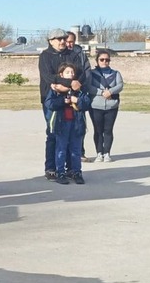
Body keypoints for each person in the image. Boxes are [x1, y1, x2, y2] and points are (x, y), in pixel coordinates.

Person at [45, 62, 92, 184]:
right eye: (67, 72)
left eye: (72, 72)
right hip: (62, 123)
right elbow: (49, 104)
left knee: (75, 150)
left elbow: (87, 103)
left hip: (76, 123)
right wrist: (62, 101)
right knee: (61, 149)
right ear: (61, 75)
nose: (70, 75)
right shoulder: (56, 88)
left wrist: (78, 100)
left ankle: (76, 172)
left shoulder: (79, 88)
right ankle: (60, 173)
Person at [38, 28, 73, 180]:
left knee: (71, 134)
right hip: (51, 100)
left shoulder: (71, 55)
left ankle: (69, 167)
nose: (62, 41)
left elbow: (78, 75)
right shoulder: (45, 56)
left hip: (70, 100)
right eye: (59, 39)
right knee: (53, 133)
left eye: (64, 38)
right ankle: (51, 167)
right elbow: (48, 77)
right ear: (51, 41)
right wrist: (68, 83)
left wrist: (66, 86)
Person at [87, 50, 124, 162]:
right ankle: (99, 153)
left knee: (108, 130)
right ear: (97, 61)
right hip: (95, 106)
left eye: (107, 60)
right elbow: (88, 86)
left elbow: (120, 85)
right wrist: (101, 92)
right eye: (102, 59)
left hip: (111, 106)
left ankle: (107, 152)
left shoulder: (115, 73)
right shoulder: (91, 73)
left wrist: (111, 91)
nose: (104, 62)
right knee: (98, 130)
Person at [66, 31, 92, 161]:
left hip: (79, 93)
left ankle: (80, 152)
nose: (69, 44)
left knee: (79, 125)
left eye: (71, 41)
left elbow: (87, 72)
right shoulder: (60, 54)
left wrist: (80, 85)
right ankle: (65, 153)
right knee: (64, 126)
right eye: (67, 41)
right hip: (64, 93)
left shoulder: (80, 54)